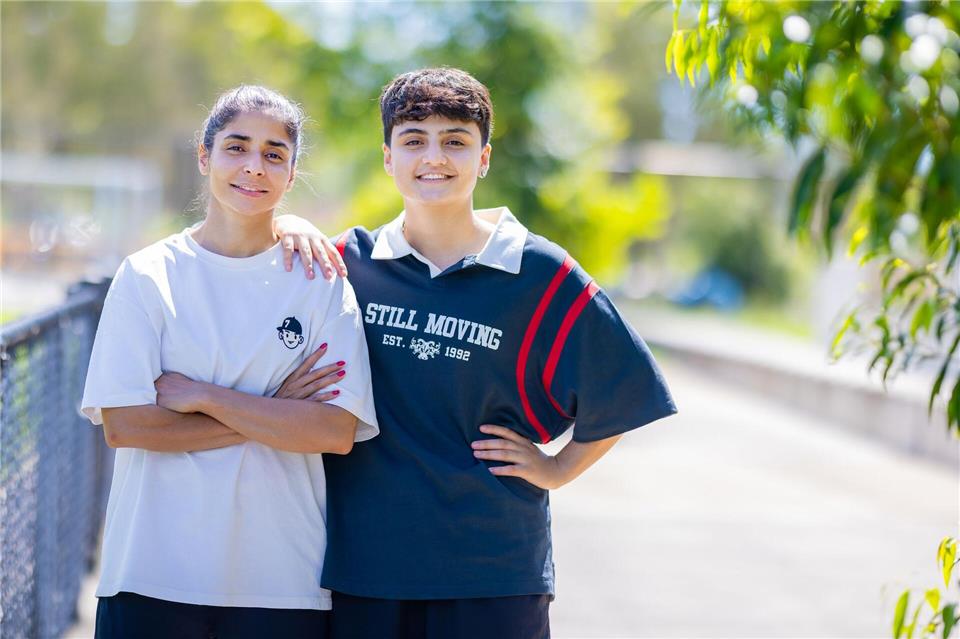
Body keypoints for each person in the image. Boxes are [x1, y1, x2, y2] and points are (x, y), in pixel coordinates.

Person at [273, 68, 677, 639]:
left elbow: (625, 388)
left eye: (455, 140)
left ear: (483, 158)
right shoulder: (347, 263)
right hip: (367, 567)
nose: (433, 157)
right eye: (414, 139)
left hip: (495, 572)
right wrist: (286, 221)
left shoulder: (538, 271)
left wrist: (559, 467)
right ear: (388, 157)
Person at [80, 85, 378, 639]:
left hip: (282, 583)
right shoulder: (148, 275)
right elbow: (127, 426)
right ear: (205, 155)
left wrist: (207, 397)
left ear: (292, 173)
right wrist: (274, 413)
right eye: (237, 147)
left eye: (274, 154)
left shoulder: (320, 282)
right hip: (149, 573)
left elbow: (334, 431)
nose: (254, 166)